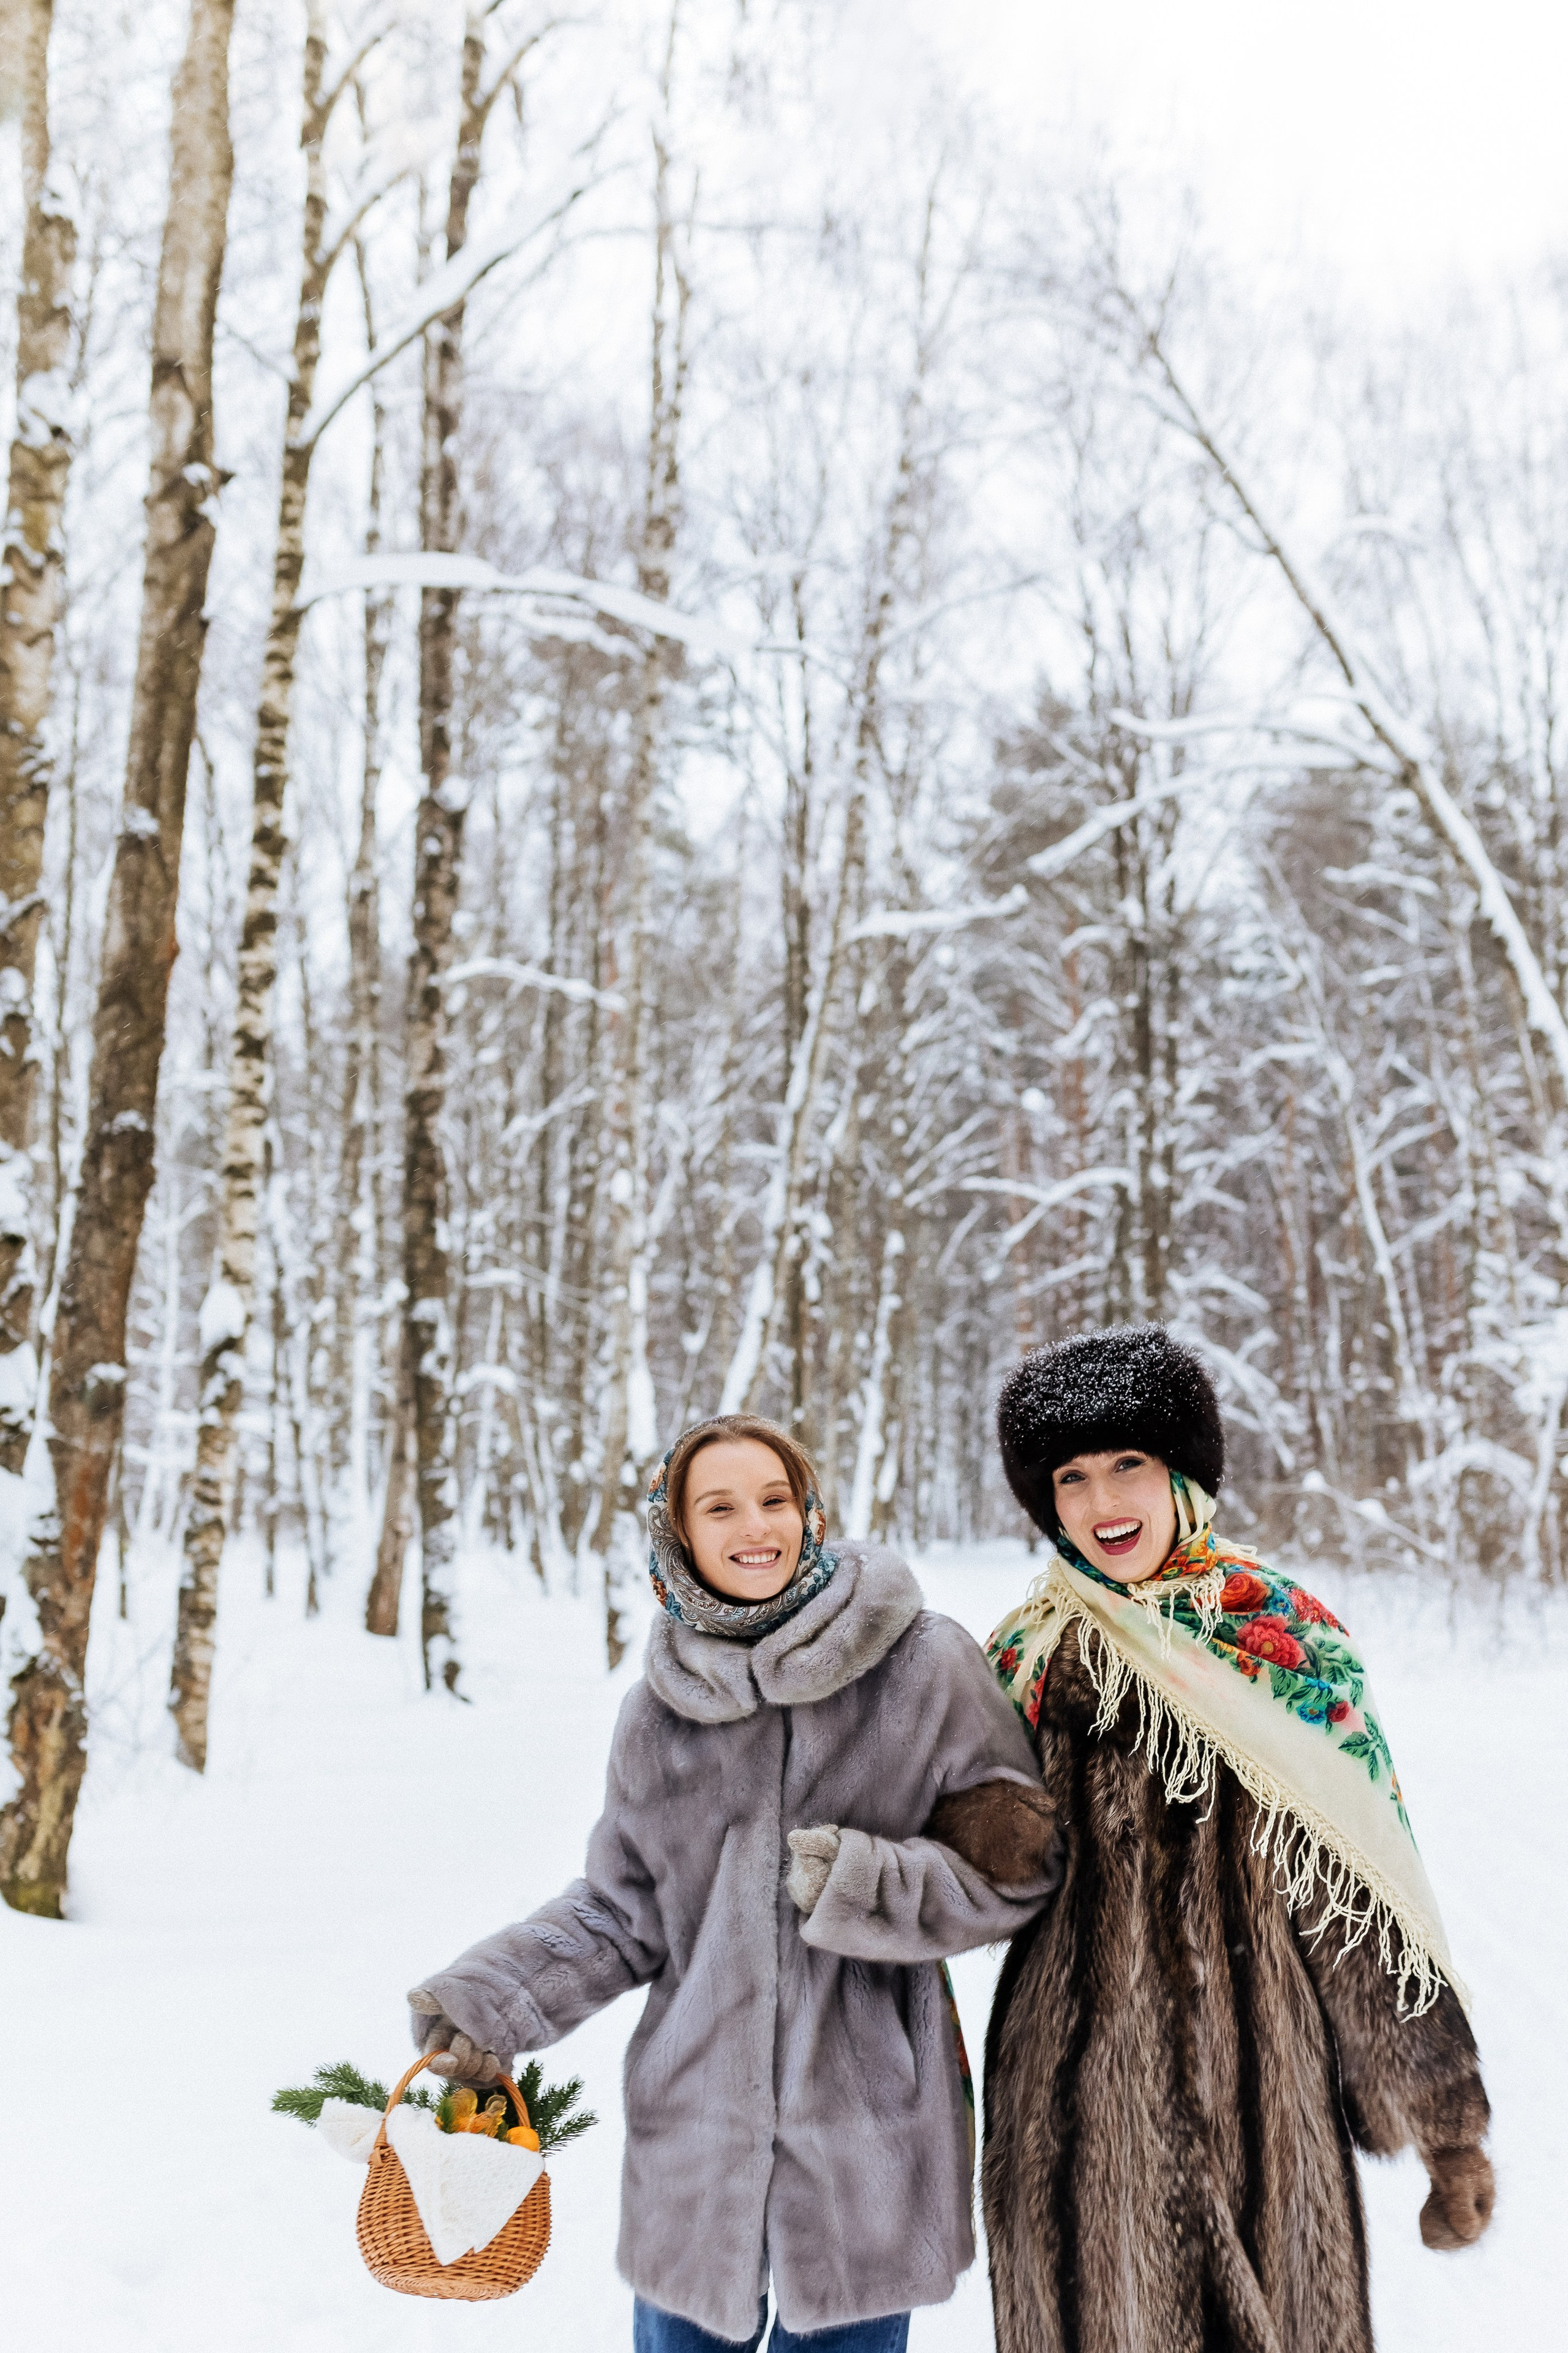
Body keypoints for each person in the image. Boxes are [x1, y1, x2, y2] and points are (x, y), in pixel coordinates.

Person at [404, 1411, 1060, 2351]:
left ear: (810, 1512)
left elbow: (1016, 1860)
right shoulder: (660, 1709)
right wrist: (496, 1996)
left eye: (774, 1499)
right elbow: (625, 1911)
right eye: (720, 1507)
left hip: (864, 2146)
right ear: (679, 1533)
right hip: (694, 2147)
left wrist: (867, 1883)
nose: (756, 1527)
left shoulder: (918, 1662)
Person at [960, 1324, 1493, 2353]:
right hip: (1074, 2142)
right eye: (1071, 1476)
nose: (1104, 1501)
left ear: (1184, 1477)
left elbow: (1361, 1905)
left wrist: (1444, 2119)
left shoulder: (1284, 1646)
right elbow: (967, 1884)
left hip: (1269, 2126)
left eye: (1130, 1464)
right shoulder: (1027, 1660)